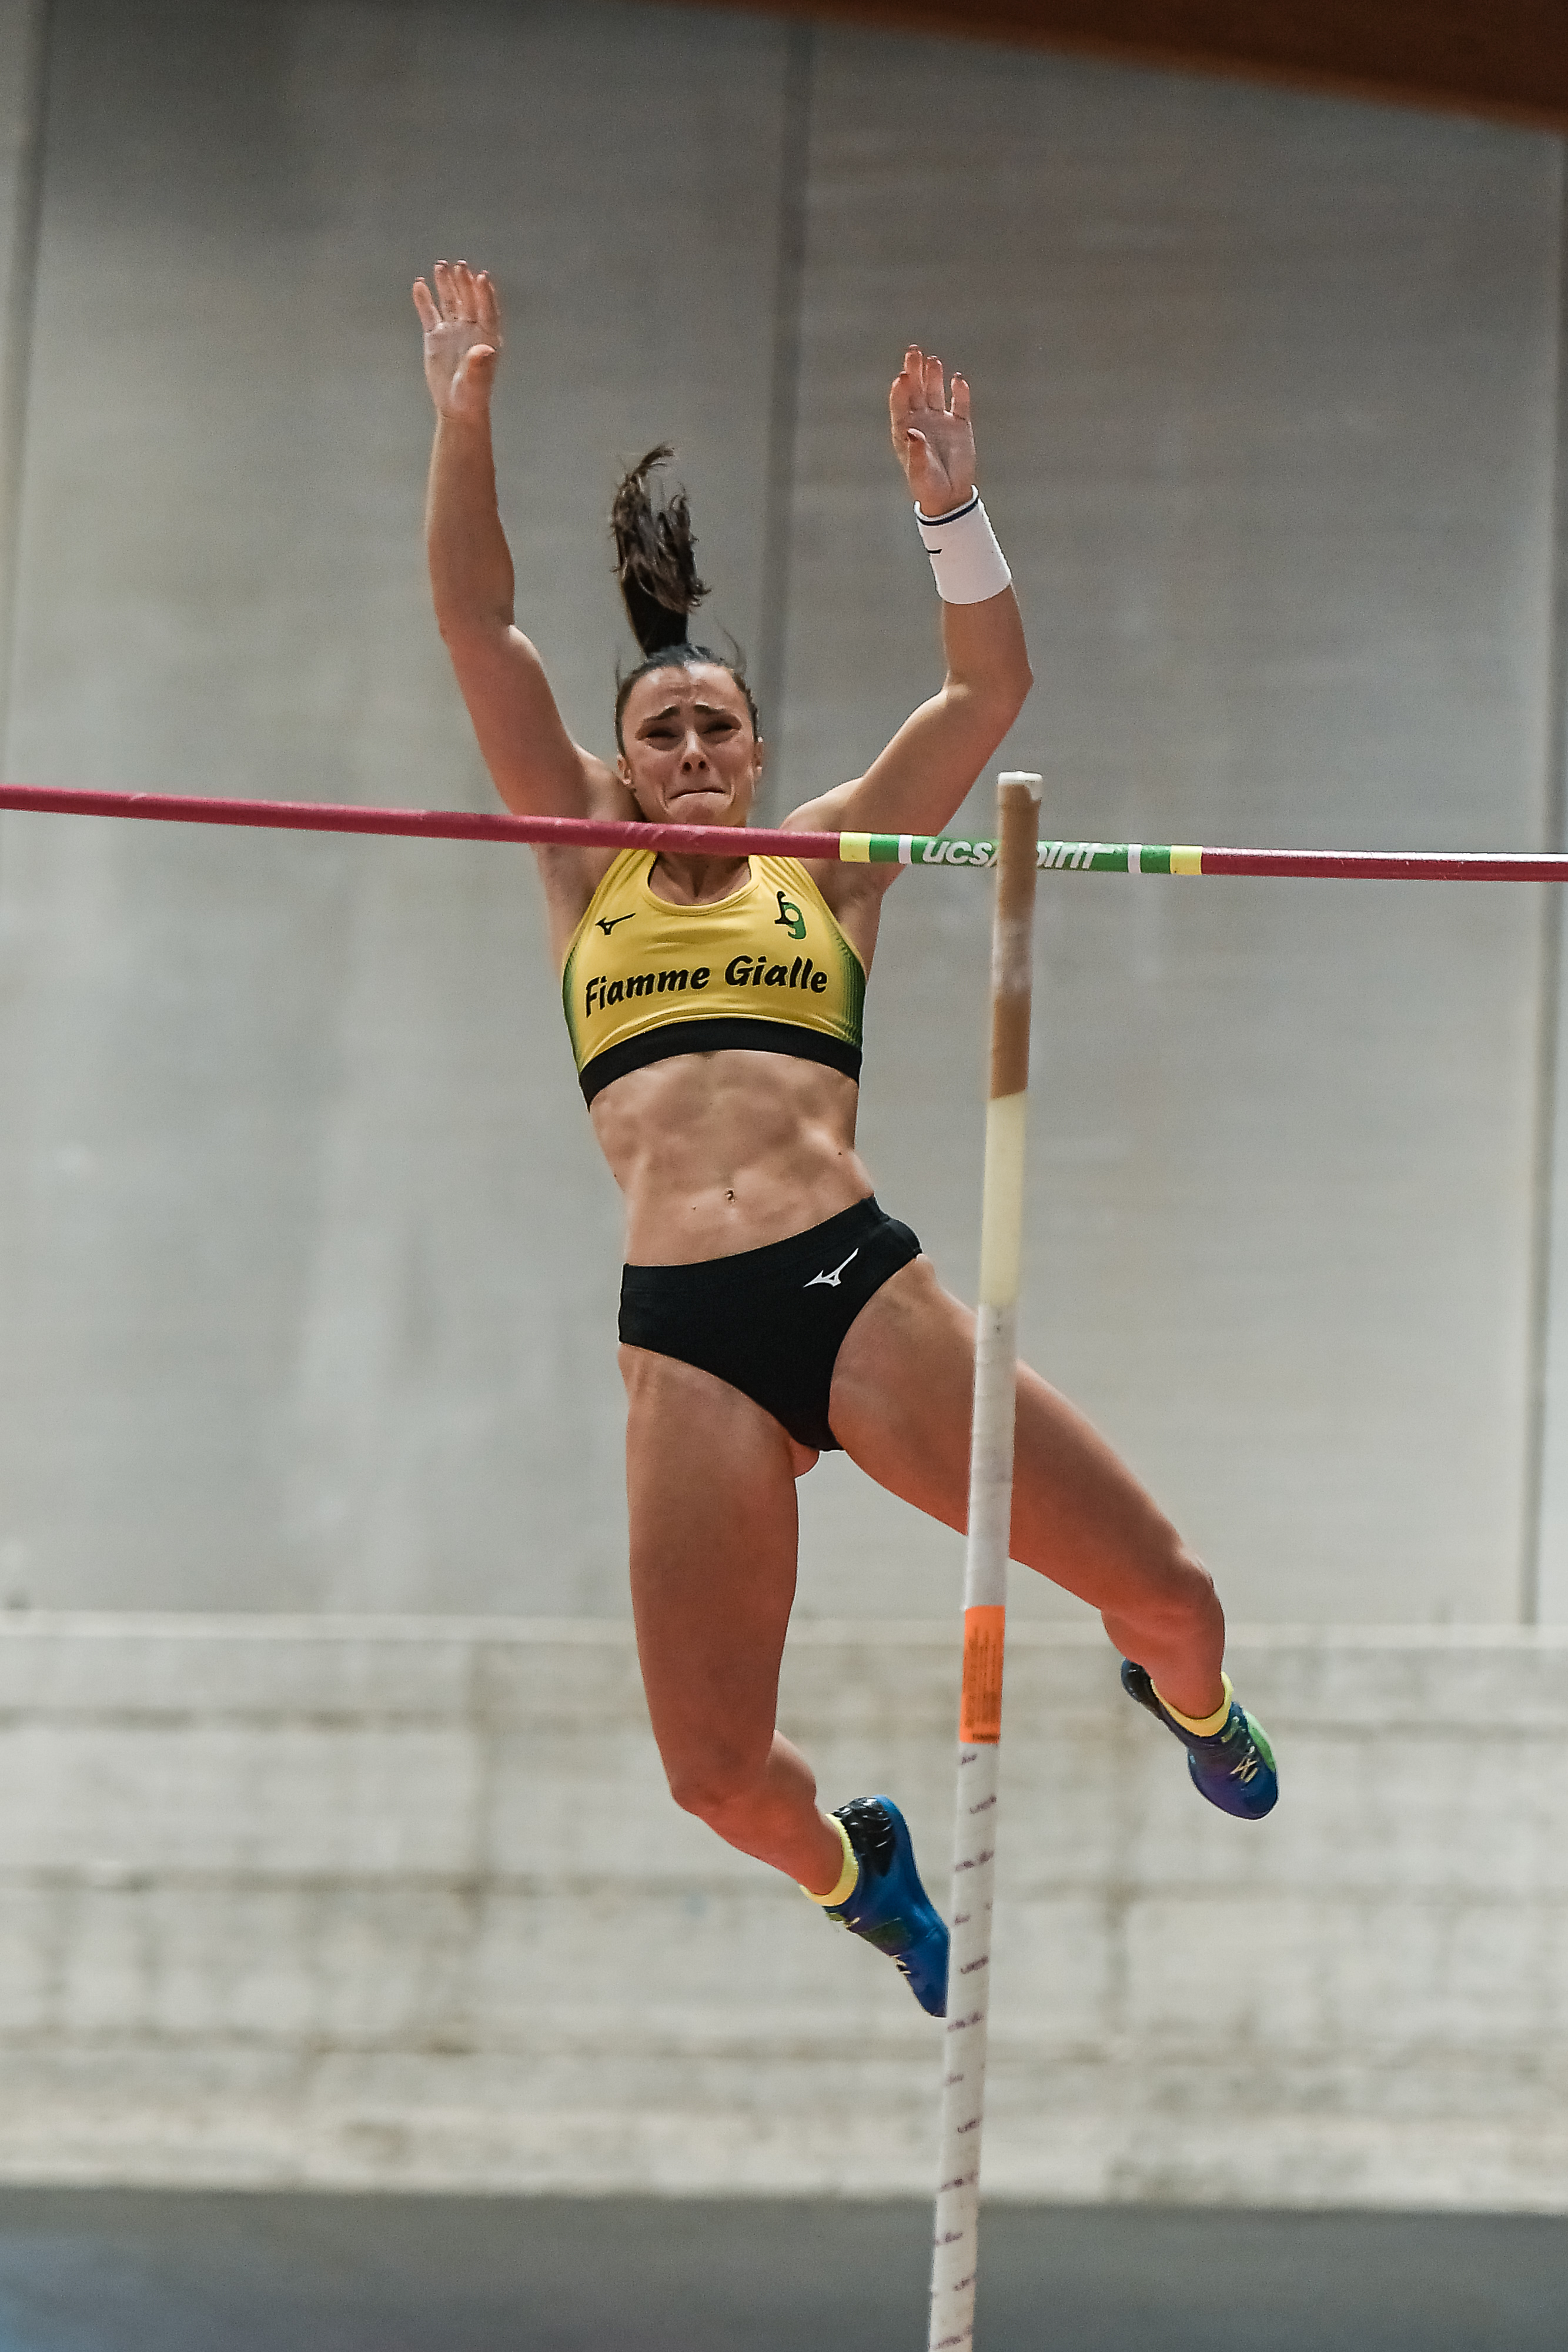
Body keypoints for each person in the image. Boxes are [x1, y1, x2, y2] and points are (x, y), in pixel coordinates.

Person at [411, 259, 1277, 2018]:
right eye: (660, 733)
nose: (690, 751)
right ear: (623, 767)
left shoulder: (831, 862)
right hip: (686, 1337)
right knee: (715, 1775)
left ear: (754, 751)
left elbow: (984, 691)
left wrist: (950, 510)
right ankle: (859, 1875)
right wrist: (460, 415)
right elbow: (479, 629)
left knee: (1174, 1596)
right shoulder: (580, 860)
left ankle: (1188, 1700)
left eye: (716, 727)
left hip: (850, 1288)